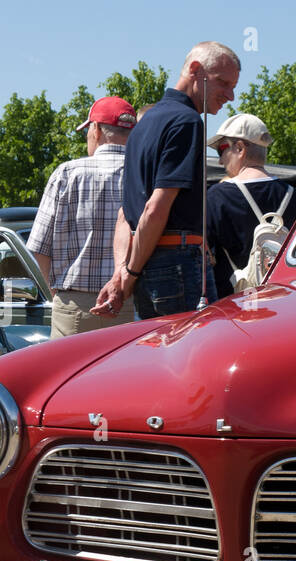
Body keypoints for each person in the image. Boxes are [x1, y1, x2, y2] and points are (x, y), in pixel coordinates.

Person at [93, 41, 240, 319]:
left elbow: (127, 213)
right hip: (179, 265)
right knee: (193, 358)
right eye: (223, 83)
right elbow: (154, 207)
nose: (230, 95)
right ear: (195, 70)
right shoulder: (187, 122)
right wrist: (129, 273)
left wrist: (122, 273)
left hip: (151, 266)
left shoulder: (143, 125)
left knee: (157, 356)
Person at [27, 96, 137, 338]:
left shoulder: (67, 173)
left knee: (70, 375)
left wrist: (57, 293)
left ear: (96, 130)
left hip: (74, 305)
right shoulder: (143, 175)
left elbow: (38, 247)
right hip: (130, 303)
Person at [205, 113, 296, 297]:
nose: (220, 160)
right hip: (283, 302)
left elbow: (202, 256)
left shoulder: (215, 198)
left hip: (233, 308)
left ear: (240, 148)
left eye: (221, 149)